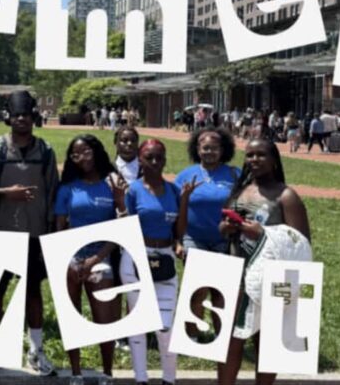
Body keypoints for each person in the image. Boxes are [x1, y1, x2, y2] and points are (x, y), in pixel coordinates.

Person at [218, 139, 311, 385]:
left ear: (273, 159)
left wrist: (262, 233)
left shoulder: (286, 195)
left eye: (260, 155)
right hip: (238, 273)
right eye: (249, 155)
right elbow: (222, 227)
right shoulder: (241, 189)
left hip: (271, 278)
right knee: (230, 340)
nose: (254, 160)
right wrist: (226, 227)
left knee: (267, 343)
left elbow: (300, 244)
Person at [0, 91, 60, 378]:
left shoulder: (46, 150)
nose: (22, 119)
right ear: (8, 118)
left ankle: (36, 350)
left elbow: (53, 191)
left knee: (33, 294)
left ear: (33, 117)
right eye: (16, 115)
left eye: (26, 114)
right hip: (2, 232)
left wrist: (51, 229)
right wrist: (6, 193)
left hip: (34, 233)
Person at [120, 139, 198, 385]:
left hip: (164, 257)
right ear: (140, 160)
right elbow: (126, 225)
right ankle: (140, 378)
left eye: (159, 157)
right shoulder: (133, 190)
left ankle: (169, 379)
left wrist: (185, 201)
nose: (155, 162)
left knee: (165, 328)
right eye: (149, 157)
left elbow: (180, 230)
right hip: (135, 258)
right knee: (138, 324)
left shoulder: (174, 190)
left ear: (165, 159)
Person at [55, 135, 127, 385]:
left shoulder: (113, 183)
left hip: (102, 256)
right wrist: (72, 260)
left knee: (104, 320)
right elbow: (60, 227)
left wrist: (96, 258)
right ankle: (76, 373)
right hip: (72, 256)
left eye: (86, 152)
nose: (81, 158)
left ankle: (107, 373)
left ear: (96, 151)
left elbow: (122, 226)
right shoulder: (68, 188)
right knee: (71, 316)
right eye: (75, 154)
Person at [174, 128, 240, 340]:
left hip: (225, 240)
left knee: (221, 292)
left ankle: (222, 336)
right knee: (197, 289)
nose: (210, 151)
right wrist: (178, 241)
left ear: (223, 150)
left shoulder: (235, 175)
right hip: (194, 239)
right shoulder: (185, 175)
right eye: (205, 147)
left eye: (215, 148)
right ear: (197, 149)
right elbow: (176, 210)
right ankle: (191, 335)